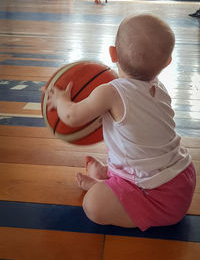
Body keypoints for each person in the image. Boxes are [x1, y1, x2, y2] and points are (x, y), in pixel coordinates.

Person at [46, 14, 196, 231]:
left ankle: (106, 187)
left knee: (93, 206)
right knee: (139, 153)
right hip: (182, 176)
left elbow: (71, 116)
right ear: (167, 63)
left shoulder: (110, 93)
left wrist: (60, 99)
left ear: (112, 54)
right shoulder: (159, 87)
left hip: (159, 196)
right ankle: (112, 177)